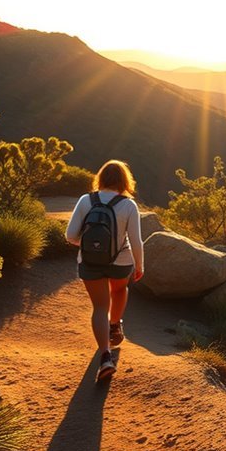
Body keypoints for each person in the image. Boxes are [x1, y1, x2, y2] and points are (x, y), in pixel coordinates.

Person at [66, 160, 145, 380]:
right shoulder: (129, 205)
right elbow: (136, 241)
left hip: (90, 262)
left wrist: (92, 246)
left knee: (100, 307)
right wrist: (140, 265)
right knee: (119, 290)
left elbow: (70, 236)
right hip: (121, 261)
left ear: (100, 178)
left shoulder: (85, 200)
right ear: (124, 181)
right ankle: (114, 327)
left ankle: (105, 356)